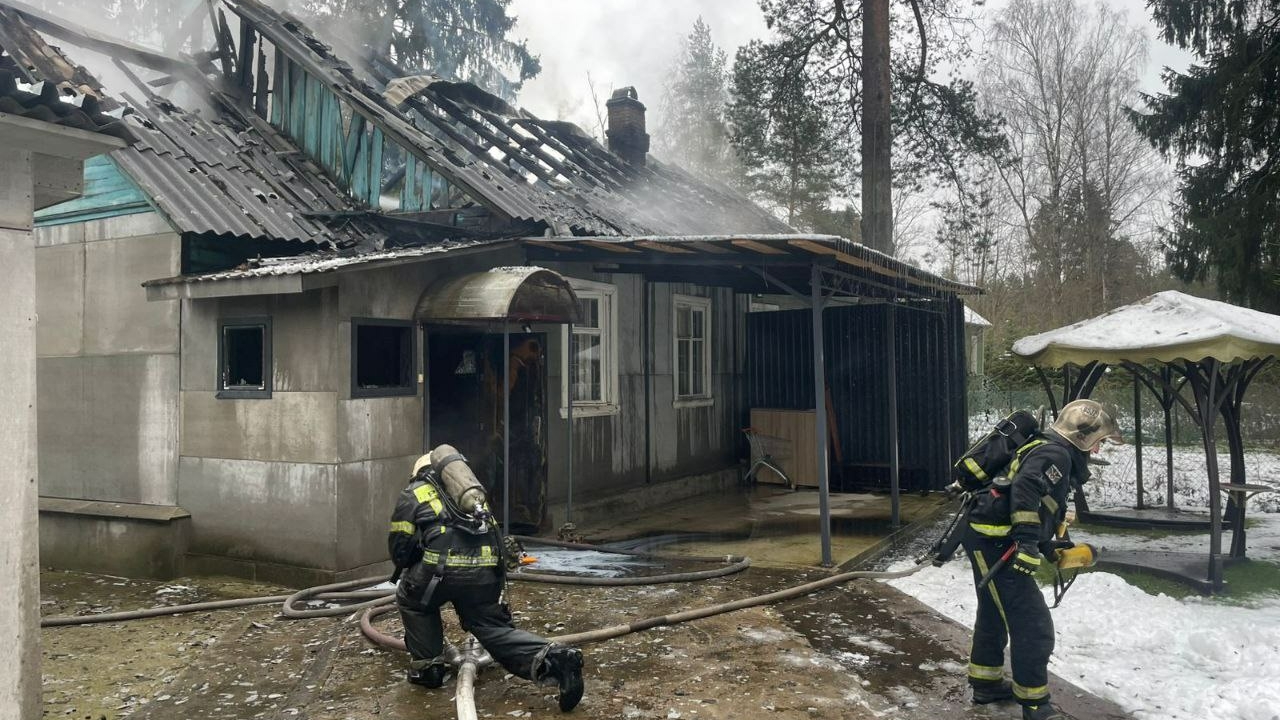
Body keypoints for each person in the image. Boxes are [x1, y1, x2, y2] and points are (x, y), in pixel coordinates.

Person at [388, 444, 584, 712]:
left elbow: (400, 550)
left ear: (419, 472)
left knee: (414, 602)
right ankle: (555, 658)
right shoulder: (473, 496)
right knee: (491, 628)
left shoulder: (414, 493)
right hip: (485, 576)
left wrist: (417, 563)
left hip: (437, 575)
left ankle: (429, 668)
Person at [961, 399, 1121, 720]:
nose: (1099, 449)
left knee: (995, 612)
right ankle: (1036, 706)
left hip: (987, 536)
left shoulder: (1049, 447)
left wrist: (1048, 546)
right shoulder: (1056, 454)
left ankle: (986, 683)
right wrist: (1026, 543)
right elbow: (1026, 489)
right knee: (1034, 625)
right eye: (1099, 441)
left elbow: (1038, 504)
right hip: (998, 544)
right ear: (1083, 437)